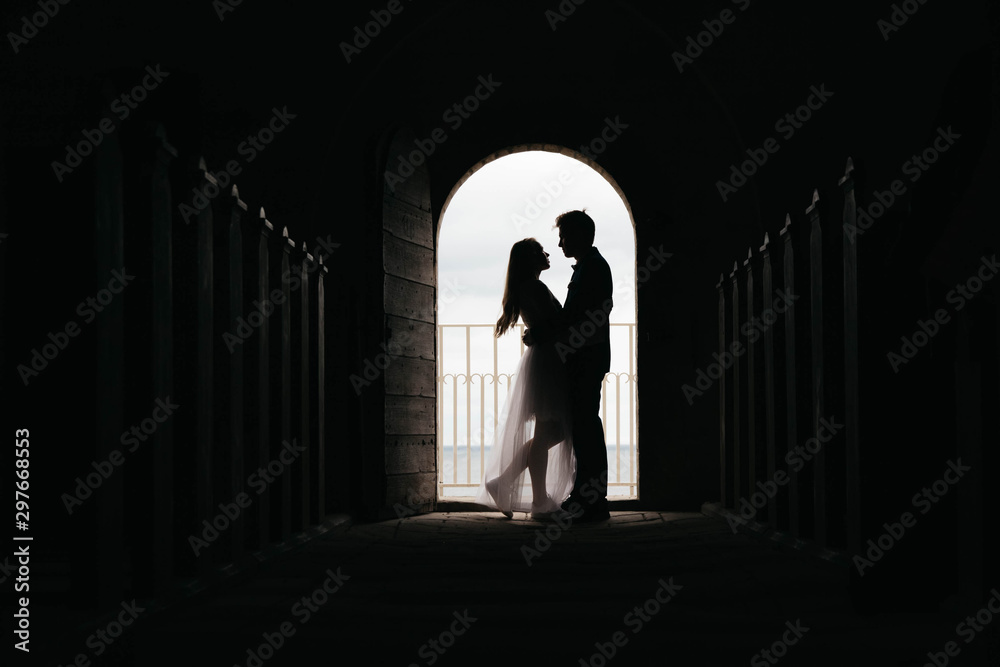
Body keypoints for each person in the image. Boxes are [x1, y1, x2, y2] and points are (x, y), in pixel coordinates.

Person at [474, 238, 576, 519]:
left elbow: (548, 325)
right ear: (529, 259)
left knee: (551, 432)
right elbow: (557, 324)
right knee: (549, 433)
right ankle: (539, 503)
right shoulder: (533, 287)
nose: (547, 253)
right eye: (540, 251)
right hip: (548, 363)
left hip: (546, 359)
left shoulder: (528, 287)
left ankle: (504, 483)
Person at [523, 210, 613, 522]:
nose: (559, 244)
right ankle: (587, 496)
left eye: (563, 236)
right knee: (583, 428)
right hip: (586, 357)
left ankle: (591, 499)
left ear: (578, 236)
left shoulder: (592, 269)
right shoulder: (591, 267)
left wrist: (538, 333)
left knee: (585, 428)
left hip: (586, 357)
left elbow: (573, 315)